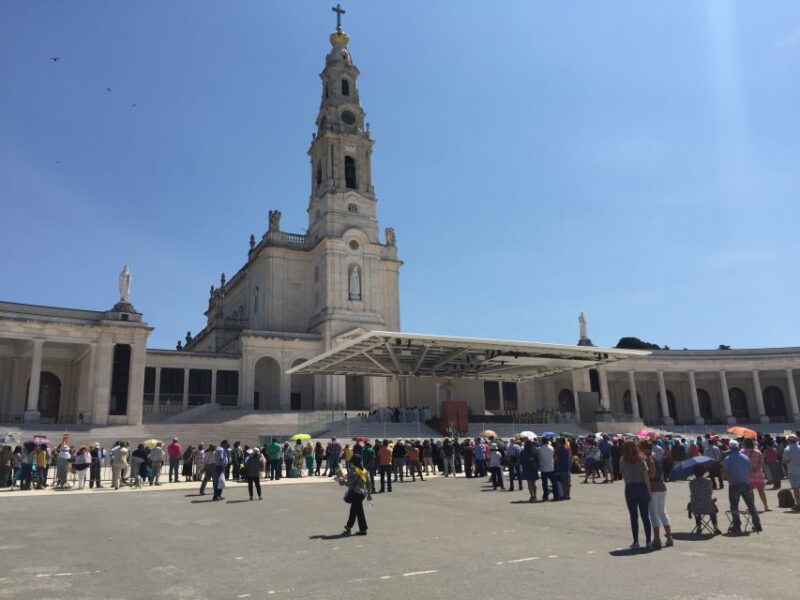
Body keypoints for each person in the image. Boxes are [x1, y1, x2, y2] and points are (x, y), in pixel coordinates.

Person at [723, 440, 762, 533]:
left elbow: (726, 473)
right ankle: (757, 525)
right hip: (746, 484)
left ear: (730, 448)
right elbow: (749, 471)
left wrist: (728, 479)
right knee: (751, 505)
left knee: (734, 506)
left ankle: (737, 526)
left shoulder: (728, 458)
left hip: (734, 484)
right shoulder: (745, 457)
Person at [620, 439, 652, 549]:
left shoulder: (622, 460)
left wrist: (629, 485)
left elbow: (624, 476)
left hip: (630, 488)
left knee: (633, 517)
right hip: (641, 487)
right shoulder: (641, 459)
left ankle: (636, 541)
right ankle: (648, 541)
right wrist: (649, 491)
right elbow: (646, 477)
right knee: (645, 516)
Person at [642, 440, 672, 549]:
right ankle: (669, 537)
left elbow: (652, 473)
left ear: (645, 448)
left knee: (653, 514)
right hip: (662, 486)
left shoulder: (648, 458)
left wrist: (645, 477)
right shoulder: (656, 456)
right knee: (662, 512)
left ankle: (657, 539)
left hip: (653, 488)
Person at [336, 454, 370, 536]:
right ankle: (349, 527)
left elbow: (348, 483)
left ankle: (363, 529)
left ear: (353, 462)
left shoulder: (353, 470)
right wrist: (369, 493)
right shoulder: (364, 470)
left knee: (359, 511)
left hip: (356, 493)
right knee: (354, 510)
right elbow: (368, 482)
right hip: (363, 493)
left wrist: (341, 480)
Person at [689, 465, 722, 535]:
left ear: (694, 473)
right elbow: (709, 494)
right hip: (707, 507)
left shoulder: (691, 483)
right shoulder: (708, 482)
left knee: (696, 506)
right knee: (712, 507)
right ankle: (715, 527)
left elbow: (693, 494)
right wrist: (713, 499)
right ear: (704, 472)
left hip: (695, 507)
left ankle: (699, 527)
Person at [741, 438, 769, 512]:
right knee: (761, 491)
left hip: (747, 475)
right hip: (758, 474)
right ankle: (766, 506)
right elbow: (762, 462)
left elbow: (742, 463)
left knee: (749, 492)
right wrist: (757, 468)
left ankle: (751, 507)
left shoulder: (742, 452)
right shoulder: (757, 451)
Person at [782, 434, 800, 510]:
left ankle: (798, 504)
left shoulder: (787, 449)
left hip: (793, 471)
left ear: (789, 441)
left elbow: (785, 460)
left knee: (795, 488)